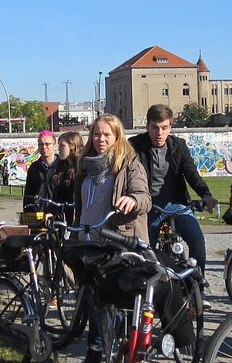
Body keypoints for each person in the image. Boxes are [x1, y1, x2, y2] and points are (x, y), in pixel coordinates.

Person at [74, 114, 152, 363]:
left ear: (117, 136)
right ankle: (99, 349)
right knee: (92, 298)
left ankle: (105, 350)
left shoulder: (129, 163)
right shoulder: (86, 165)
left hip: (117, 241)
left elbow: (145, 198)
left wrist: (132, 200)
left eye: (107, 134)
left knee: (111, 303)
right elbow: (82, 204)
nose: (101, 139)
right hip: (88, 241)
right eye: (97, 134)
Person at [128, 104, 217, 307]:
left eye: (165, 127)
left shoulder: (178, 146)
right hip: (149, 206)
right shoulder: (135, 146)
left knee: (197, 241)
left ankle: (196, 290)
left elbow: (191, 172)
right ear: (147, 126)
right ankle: (147, 295)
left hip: (177, 204)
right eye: (155, 127)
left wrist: (205, 194)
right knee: (145, 250)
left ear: (170, 127)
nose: (160, 133)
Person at [23, 130, 60, 211]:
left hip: (58, 214)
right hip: (38, 214)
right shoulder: (34, 167)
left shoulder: (62, 166)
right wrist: (27, 213)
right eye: (41, 144)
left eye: (47, 144)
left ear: (55, 145)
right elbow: (28, 194)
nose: (44, 147)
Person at [53, 131, 84, 224]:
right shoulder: (60, 166)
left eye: (62, 146)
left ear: (73, 147)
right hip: (64, 216)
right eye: (59, 145)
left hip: (79, 217)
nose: (58, 149)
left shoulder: (82, 168)